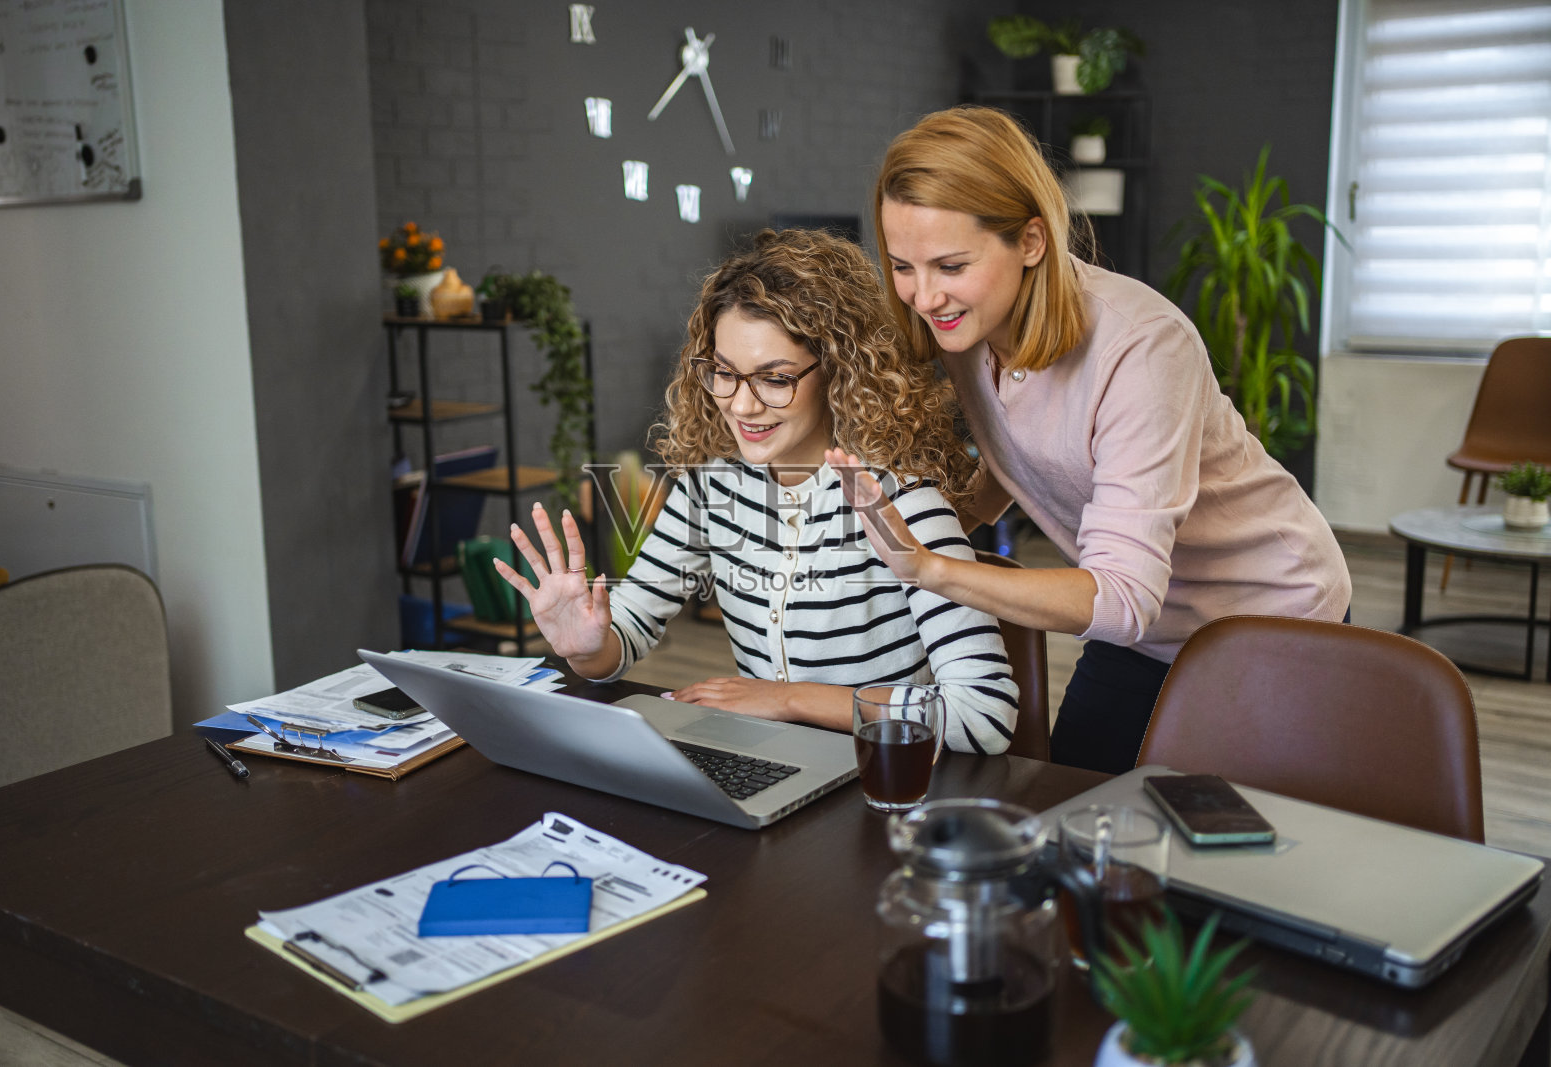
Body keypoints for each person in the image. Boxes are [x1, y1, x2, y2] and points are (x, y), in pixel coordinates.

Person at [826, 106, 1352, 774]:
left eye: (950, 265)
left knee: (1224, 848)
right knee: (1071, 803)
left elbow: (1125, 598)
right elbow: (1022, 446)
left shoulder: (1141, 346)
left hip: (1266, 615)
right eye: (904, 266)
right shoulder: (966, 320)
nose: (925, 297)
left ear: (1032, 242)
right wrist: (942, 522)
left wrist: (934, 569)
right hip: (1135, 618)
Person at [494, 228, 1021, 754]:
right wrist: (588, 648)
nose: (741, 406)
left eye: (775, 378)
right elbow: (628, 627)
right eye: (724, 372)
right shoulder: (711, 486)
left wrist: (790, 699)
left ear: (839, 372)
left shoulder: (901, 499)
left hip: (884, 775)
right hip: (771, 763)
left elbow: (984, 715)